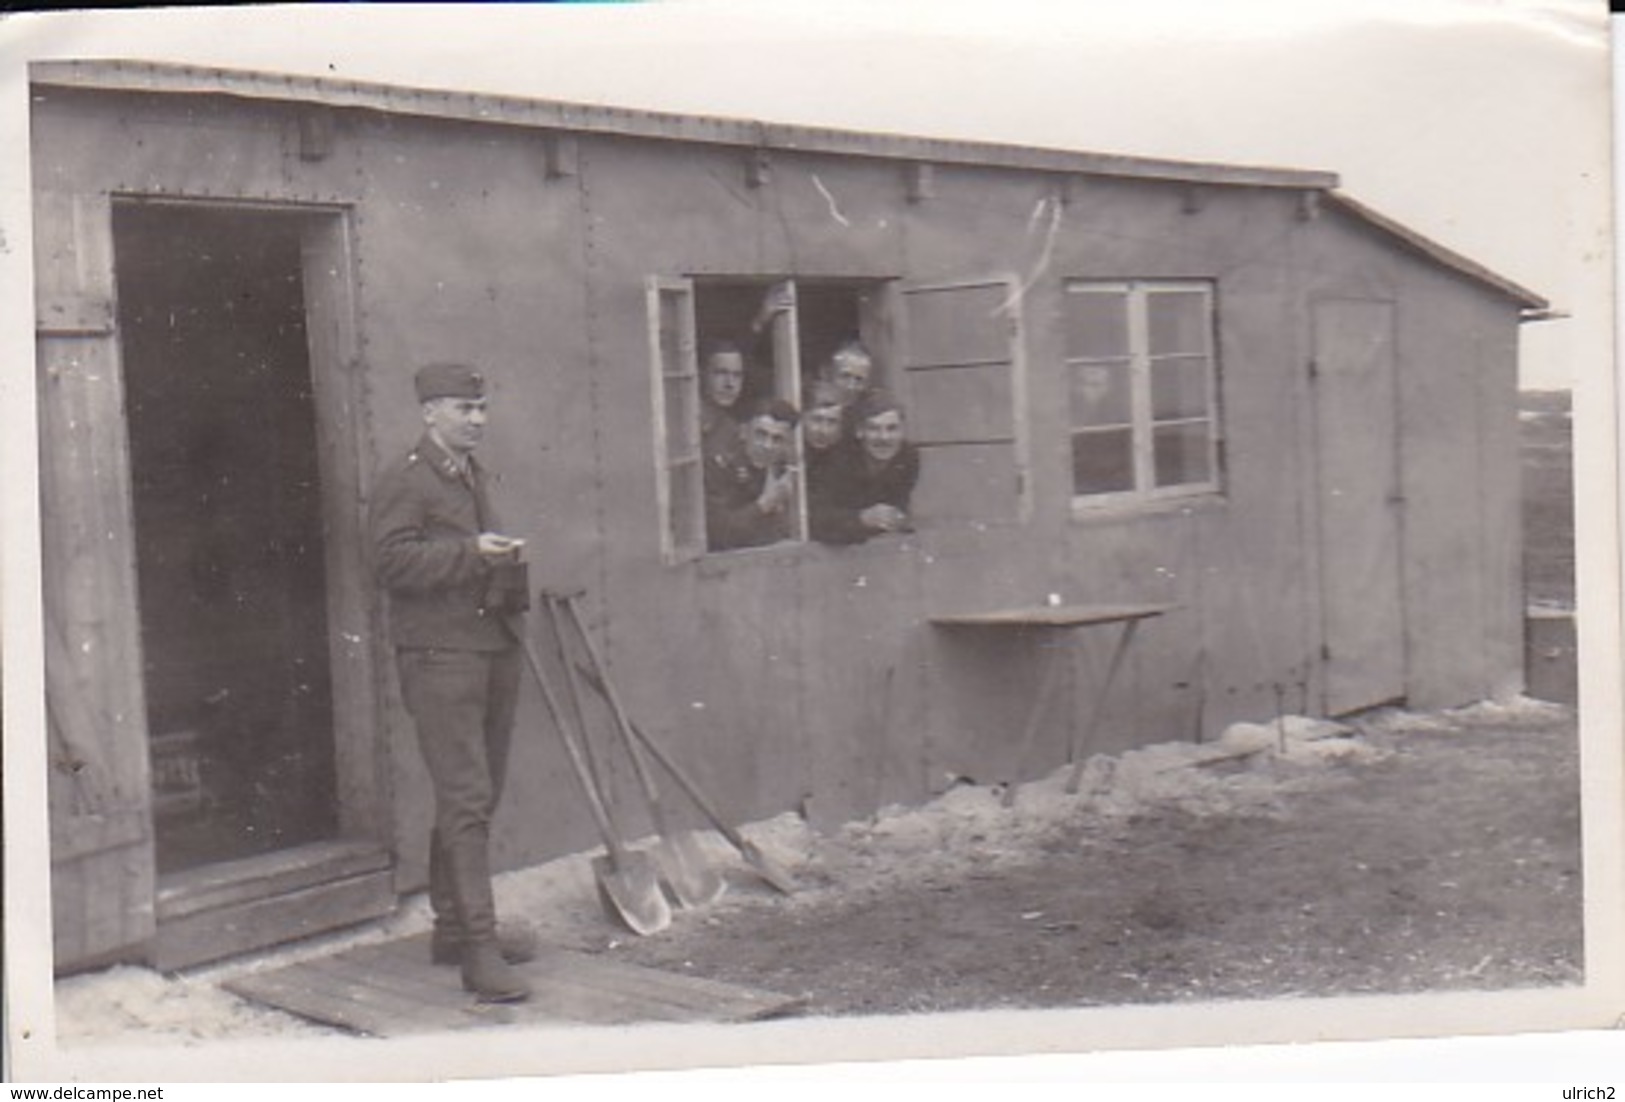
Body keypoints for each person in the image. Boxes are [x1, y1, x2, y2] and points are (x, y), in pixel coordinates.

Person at [370, 362, 536, 1003]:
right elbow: (387, 560)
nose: (477, 419)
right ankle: (479, 952)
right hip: (440, 658)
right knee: (466, 797)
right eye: (464, 409)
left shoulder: (468, 472)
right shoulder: (406, 477)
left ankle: (452, 929)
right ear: (429, 412)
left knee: (476, 794)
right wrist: (474, 554)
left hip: (488, 647)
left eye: (482, 408)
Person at [812, 388, 920, 545]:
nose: (884, 438)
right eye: (874, 429)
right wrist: (861, 518)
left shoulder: (908, 458)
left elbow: (900, 505)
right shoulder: (838, 460)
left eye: (892, 429)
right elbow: (817, 518)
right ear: (859, 431)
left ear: (902, 431)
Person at [704, 397, 800, 551]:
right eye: (761, 435)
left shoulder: (782, 468)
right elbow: (720, 534)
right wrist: (765, 503)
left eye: (777, 439)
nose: (768, 446)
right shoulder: (720, 466)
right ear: (744, 432)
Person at [698, 341, 747, 461]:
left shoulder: (732, 431)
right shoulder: (682, 422)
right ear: (701, 375)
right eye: (721, 373)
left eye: (737, 375)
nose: (730, 384)